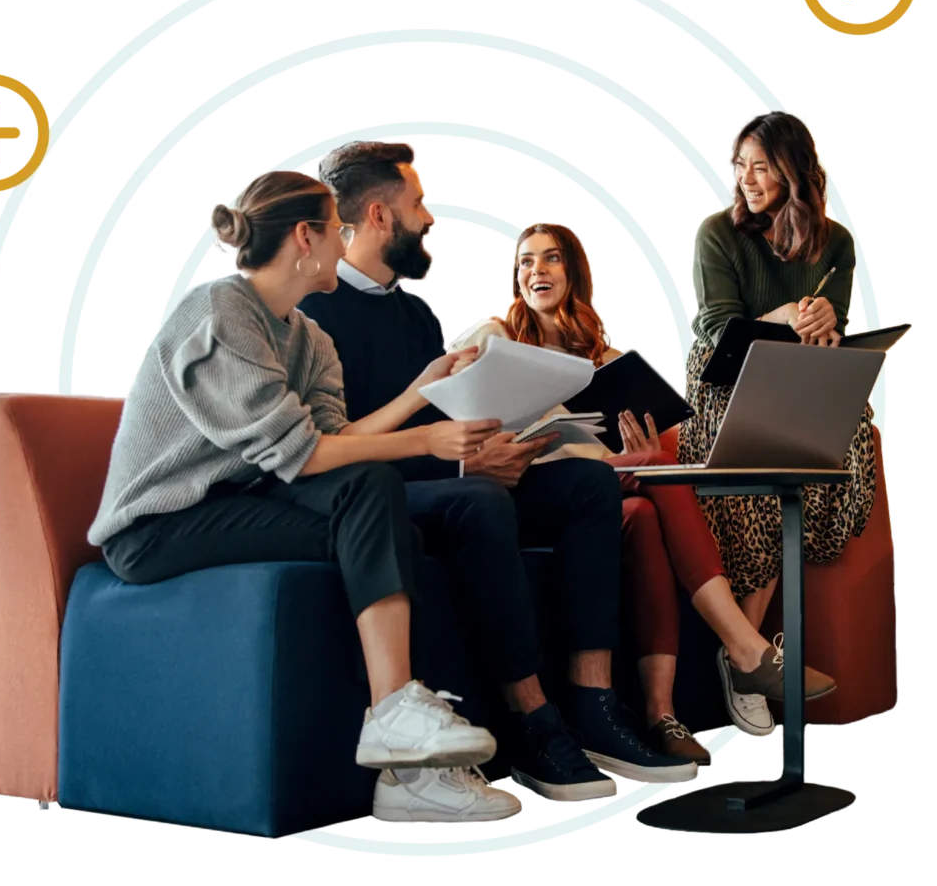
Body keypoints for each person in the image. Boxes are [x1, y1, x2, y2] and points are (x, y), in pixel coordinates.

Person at [85, 169, 523, 825]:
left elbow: (333, 438)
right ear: (305, 237)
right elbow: (306, 455)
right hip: (157, 528)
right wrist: (426, 439)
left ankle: (407, 778)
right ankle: (395, 714)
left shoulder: (309, 337)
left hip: (237, 503)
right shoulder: (220, 313)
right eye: (338, 230)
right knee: (372, 491)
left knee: (392, 525)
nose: (346, 243)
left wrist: (421, 392)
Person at [299, 140, 700, 798]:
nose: (429, 218)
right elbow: (334, 450)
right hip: (370, 491)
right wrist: (467, 468)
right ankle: (532, 723)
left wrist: (501, 448)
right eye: (418, 202)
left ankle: (594, 708)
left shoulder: (416, 316)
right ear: (377, 215)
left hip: (446, 476)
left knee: (588, 485)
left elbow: (458, 415)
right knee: (481, 502)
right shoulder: (311, 315)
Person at [449, 220, 838, 748]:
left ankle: (661, 714)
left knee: (649, 503)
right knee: (651, 482)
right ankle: (745, 650)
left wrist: (640, 457)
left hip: (598, 496)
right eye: (525, 262)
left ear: (574, 273)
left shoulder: (607, 360)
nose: (536, 270)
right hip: (519, 489)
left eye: (550, 259)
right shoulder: (495, 336)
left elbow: (623, 453)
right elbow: (451, 414)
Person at [676, 110, 871, 734]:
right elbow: (713, 331)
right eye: (741, 166)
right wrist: (785, 315)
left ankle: (747, 656)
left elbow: (836, 323)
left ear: (794, 171)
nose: (747, 178)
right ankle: (751, 655)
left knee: (844, 441)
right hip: (724, 388)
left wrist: (826, 327)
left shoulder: (834, 242)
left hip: (793, 385)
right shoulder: (716, 233)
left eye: (761, 166)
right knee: (761, 480)